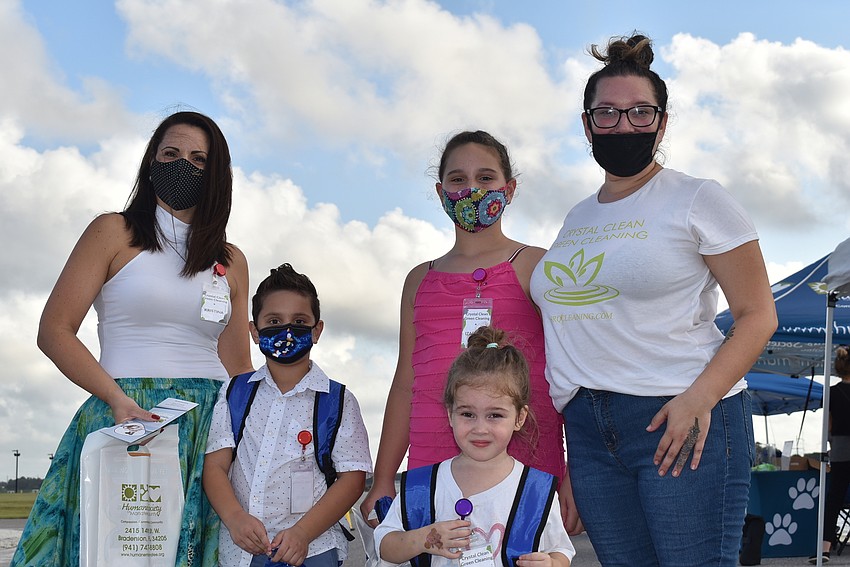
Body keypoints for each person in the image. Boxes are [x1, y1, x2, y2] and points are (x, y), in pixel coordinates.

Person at [529, 34, 778, 565]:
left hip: (680, 415)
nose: (624, 126)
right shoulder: (577, 217)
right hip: (591, 431)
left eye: (640, 113)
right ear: (587, 124)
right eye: (608, 114)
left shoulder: (698, 198)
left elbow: (758, 315)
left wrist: (699, 398)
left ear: (662, 123)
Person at [12, 111, 253, 567]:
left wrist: (253, 434)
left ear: (217, 173)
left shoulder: (231, 259)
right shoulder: (112, 231)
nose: (183, 165)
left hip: (210, 426)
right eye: (171, 154)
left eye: (199, 159)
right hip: (129, 413)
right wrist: (116, 399)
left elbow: (239, 365)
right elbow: (54, 331)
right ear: (150, 162)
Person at [361, 130, 576, 532]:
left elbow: (569, 374)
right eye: (458, 180)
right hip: (433, 460)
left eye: (486, 178)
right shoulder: (418, 279)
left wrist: (573, 476)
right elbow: (406, 383)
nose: (471, 189)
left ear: (509, 189)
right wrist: (384, 477)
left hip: (526, 455)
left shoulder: (536, 265)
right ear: (441, 191)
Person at [203, 263, 372, 567]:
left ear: (316, 330)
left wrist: (303, 533)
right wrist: (234, 518)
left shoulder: (338, 401)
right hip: (241, 551)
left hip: (314, 550)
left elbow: (352, 479)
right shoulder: (233, 394)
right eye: (274, 320)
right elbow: (215, 465)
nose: (287, 330)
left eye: (299, 320)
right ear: (254, 331)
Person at [375, 326, 575, 567]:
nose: (480, 428)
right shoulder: (420, 487)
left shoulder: (536, 490)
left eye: (495, 415)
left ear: (520, 418)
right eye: (468, 414)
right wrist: (424, 538)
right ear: (450, 414)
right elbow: (385, 546)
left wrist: (553, 563)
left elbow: (561, 549)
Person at [813, 345, 850, 564]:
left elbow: (828, 425)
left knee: (834, 499)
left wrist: (830, 444)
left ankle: (824, 549)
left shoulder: (832, 393)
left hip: (840, 449)